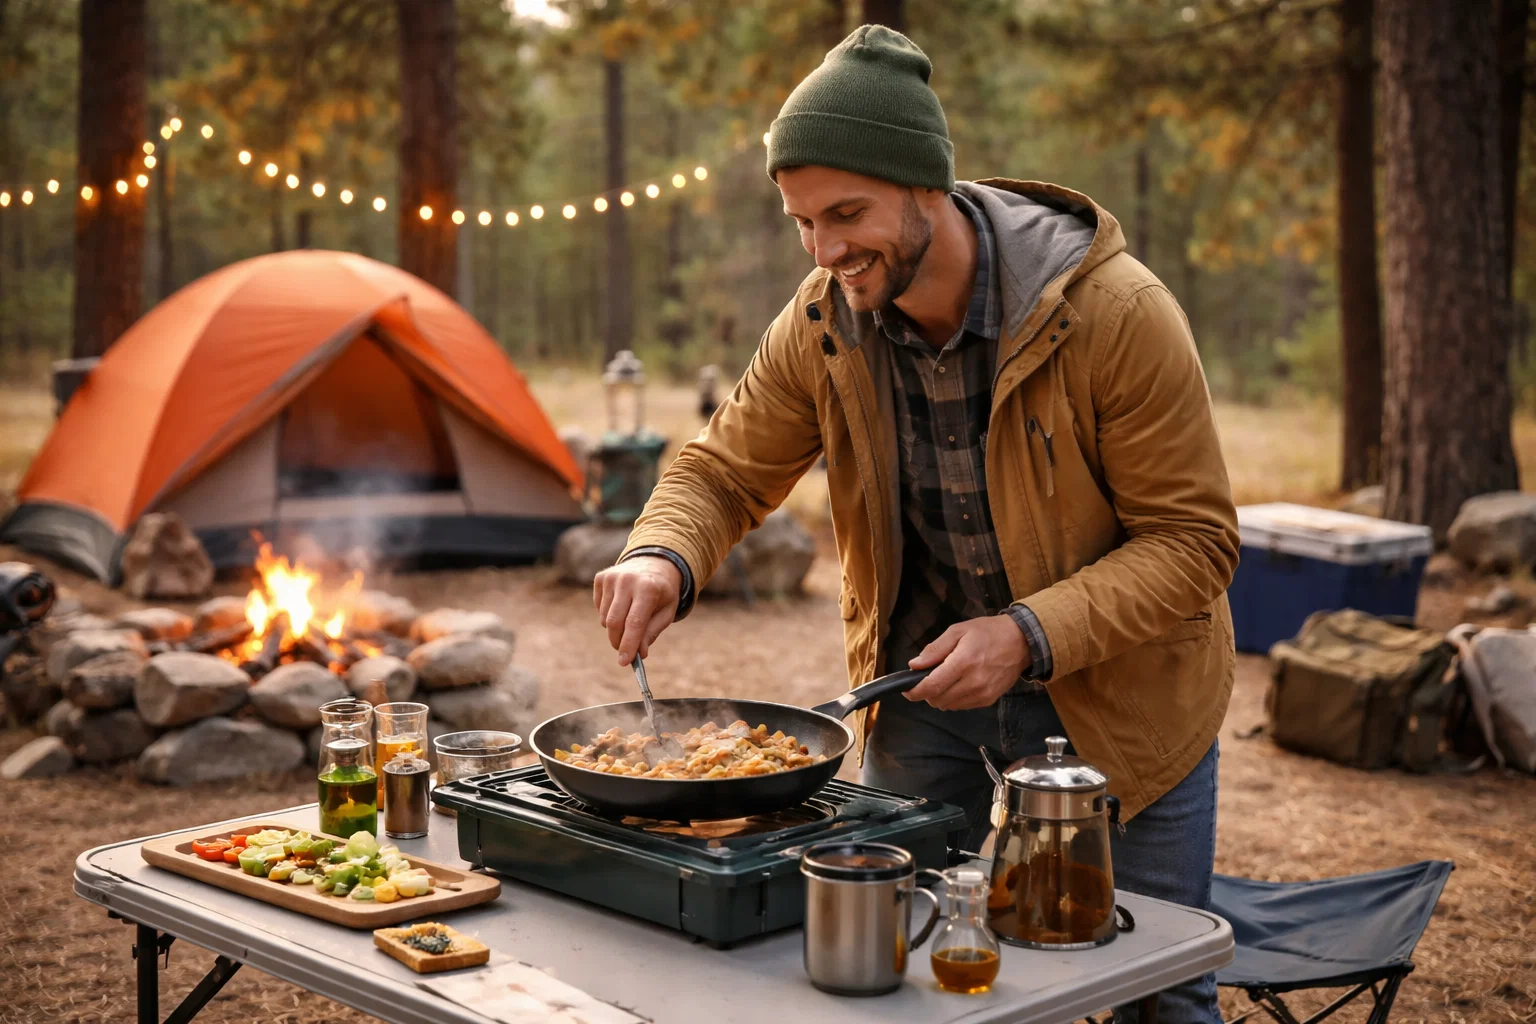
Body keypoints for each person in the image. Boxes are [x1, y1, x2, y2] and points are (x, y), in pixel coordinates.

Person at [592, 25, 1237, 1023]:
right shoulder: (822, 320)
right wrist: (660, 551)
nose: (824, 249)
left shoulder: (1114, 313)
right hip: (923, 682)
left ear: (929, 186)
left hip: (1119, 692)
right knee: (883, 965)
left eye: (847, 212)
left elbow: (1195, 544)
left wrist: (1028, 636)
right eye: (802, 220)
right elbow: (723, 469)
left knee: (1156, 985)